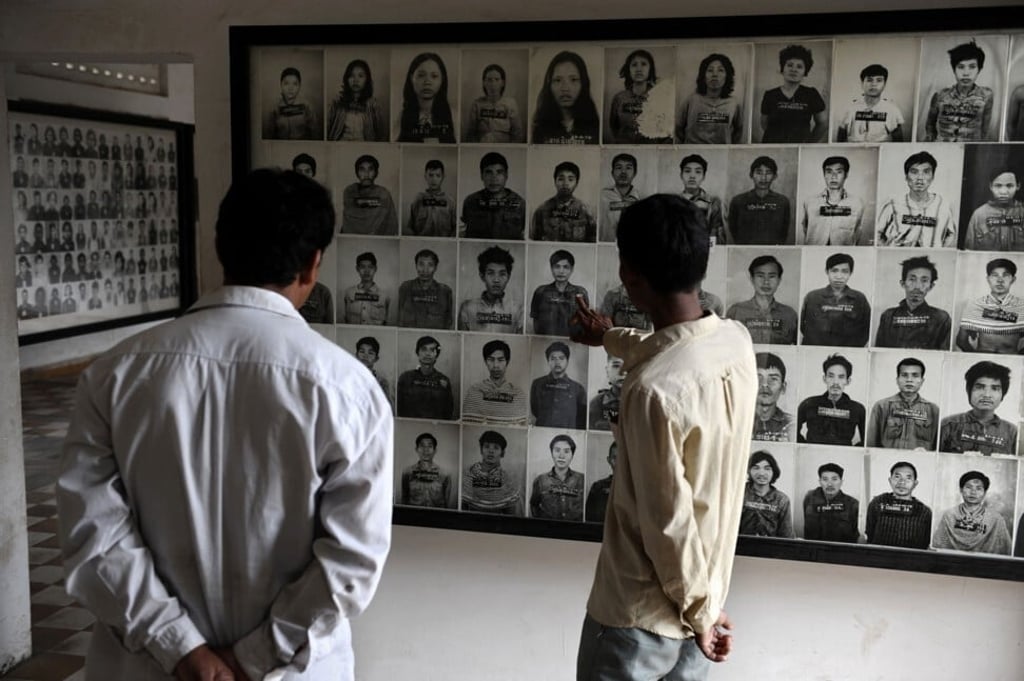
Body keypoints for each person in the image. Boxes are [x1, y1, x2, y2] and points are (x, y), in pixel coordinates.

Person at [56, 168, 392, 681]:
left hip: (146, 669)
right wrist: (252, 657)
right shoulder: (347, 388)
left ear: (220, 247)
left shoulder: (115, 375)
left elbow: (93, 536)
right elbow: (352, 560)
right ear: (313, 264)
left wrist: (182, 649)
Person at [571, 193, 756, 678]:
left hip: (638, 620)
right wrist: (611, 336)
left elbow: (667, 522)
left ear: (629, 274)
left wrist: (700, 615)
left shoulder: (653, 392)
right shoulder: (736, 342)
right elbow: (674, 348)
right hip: (705, 603)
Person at [876, 151, 957, 248]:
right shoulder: (893, 204)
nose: (920, 178)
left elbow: (951, 234)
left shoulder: (943, 205)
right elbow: (877, 233)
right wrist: (889, 250)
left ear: (933, 177)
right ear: (906, 177)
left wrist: (938, 251)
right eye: (914, 172)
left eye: (926, 172)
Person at [939, 360, 1017, 456]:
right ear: (969, 391)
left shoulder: (1012, 432)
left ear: (1002, 395)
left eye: (995, 388)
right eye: (980, 387)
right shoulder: (949, 425)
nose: (987, 395)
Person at [875, 256, 952, 350]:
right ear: (903, 283)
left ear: (931, 286)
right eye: (912, 279)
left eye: (924, 281)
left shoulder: (942, 318)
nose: (917, 286)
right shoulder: (888, 316)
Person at [924, 40, 994, 142]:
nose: (966, 73)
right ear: (954, 70)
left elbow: (985, 130)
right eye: (961, 67)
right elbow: (930, 125)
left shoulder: (987, 95)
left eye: (972, 67)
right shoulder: (940, 95)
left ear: (979, 69)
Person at [866, 358, 939, 450]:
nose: (909, 380)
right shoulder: (882, 406)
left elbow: (937, 449)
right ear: (897, 380)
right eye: (904, 375)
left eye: (915, 375)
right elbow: (870, 445)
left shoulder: (933, 410)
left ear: (922, 381)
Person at [759, 44, 827, 143]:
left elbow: (823, 123)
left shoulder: (811, 94)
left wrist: (809, 144)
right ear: (783, 68)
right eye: (789, 65)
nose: (794, 69)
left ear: (805, 71)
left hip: (799, 148)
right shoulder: (770, 95)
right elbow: (764, 123)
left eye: (799, 67)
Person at [932, 471, 1012, 555]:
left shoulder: (995, 519)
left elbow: (1005, 549)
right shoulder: (949, 515)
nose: (973, 492)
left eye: (978, 488)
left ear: (985, 493)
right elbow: (938, 545)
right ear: (961, 490)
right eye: (968, 487)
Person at [800, 252, 871, 347]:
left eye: (844, 271)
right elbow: (802, 326)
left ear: (851, 273)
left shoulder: (859, 299)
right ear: (827, 271)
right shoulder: (812, 297)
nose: (839, 276)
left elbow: (866, 329)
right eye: (834, 270)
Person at [956, 258, 1024, 354]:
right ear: (988, 279)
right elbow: (961, 341)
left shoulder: (1022, 307)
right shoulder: (975, 305)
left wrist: (1017, 359)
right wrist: (976, 358)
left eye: (1006, 275)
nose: (1000, 280)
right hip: (982, 359)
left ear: (1013, 279)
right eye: (995, 275)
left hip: (1011, 360)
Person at [726, 255, 798, 345]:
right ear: (752, 279)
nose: (766, 282)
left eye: (772, 276)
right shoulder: (736, 311)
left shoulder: (789, 315)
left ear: (779, 280)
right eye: (760, 276)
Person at [796, 354, 866, 447]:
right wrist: (806, 446)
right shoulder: (809, 404)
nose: (835, 382)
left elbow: (866, 442)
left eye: (841, 377)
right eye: (831, 376)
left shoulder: (857, 409)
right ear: (824, 378)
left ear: (848, 381)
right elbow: (793, 433)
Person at [532, 51, 600, 144]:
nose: (565, 88)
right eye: (558, 80)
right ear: (549, 85)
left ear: (583, 84)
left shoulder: (595, 126)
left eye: (573, 80)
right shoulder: (538, 127)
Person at [676, 52, 743, 144]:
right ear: (703, 75)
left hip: (722, 155)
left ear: (727, 76)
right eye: (710, 70)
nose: (714, 74)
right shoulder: (692, 100)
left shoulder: (734, 103)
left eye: (720, 70)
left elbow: (739, 131)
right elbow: (678, 128)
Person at [607, 48, 672, 144]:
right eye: (634, 65)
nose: (639, 69)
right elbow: (614, 126)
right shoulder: (619, 98)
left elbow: (666, 131)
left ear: (650, 69)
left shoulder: (660, 98)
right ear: (628, 70)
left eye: (644, 64)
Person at [865, 461, 932, 550]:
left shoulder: (924, 511)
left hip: (911, 560)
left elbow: (925, 542)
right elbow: (870, 533)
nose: (902, 482)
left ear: (915, 483)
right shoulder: (877, 503)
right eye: (897, 477)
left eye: (908, 478)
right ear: (890, 480)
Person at [460, 151, 526, 240]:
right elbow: (464, 234)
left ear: (506, 175)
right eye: (488, 172)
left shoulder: (520, 204)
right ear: (481, 175)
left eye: (499, 172)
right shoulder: (471, 201)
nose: (494, 178)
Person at [800, 156, 865, 245]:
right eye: (829, 172)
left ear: (846, 175)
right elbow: (805, 228)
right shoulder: (810, 202)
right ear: (824, 174)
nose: (833, 177)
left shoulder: (857, 203)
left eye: (839, 172)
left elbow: (857, 232)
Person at [458, 245, 524, 333]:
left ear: (508, 277)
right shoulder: (468, 307)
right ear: (482, 276)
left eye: (502, 274)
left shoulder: (517, 309)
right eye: (491, 273)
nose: (496, 280)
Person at [462, 339, 528, 425]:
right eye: (491, 359)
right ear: (485, 362)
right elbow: (467, 424)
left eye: (500, 360)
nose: (496, 365)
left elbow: (522, 426)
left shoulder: (518, 394)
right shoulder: (474, 391)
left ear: (507, 362)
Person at [727, 155, 791, 245]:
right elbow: (733, 229)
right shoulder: (738, 201)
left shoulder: (782, 201)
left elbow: (783, 232)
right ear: (751, 175)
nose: (763, 178)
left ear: (775, 176)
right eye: (759, 172)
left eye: (768, 173)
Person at [835, 64, 905, 142]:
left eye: (879, 80)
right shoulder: (849, 108)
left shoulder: (892, 110)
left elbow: (899, 141)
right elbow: (840, 139)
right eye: (869, 80)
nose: (874, 84)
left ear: (884, 84)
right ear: (862, 83)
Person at [530, 161, 597, 242]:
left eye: (570, 179)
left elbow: (592, 241)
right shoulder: (541, 211)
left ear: (577, 183)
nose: (565, 183)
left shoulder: (586, 211)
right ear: (555, 181)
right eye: (561, 179)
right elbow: (534, 241)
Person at [461, 430, 524, 516]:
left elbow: (511, 516)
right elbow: (462, 510)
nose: (491, 451)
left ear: (502, 453)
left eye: (496, 447)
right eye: (487, 446)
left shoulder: (509, 481)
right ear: (481, 450)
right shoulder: (467, 475)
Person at [397, 52, 456, 143]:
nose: (427, 82)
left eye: (434, 76)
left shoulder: (454, 116)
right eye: (421, 75)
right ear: (411, 78)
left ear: (442, 80)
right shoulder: (401, 116)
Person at [530, 249, 590, 336]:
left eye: (566, 267)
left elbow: (585, 322)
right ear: (551, 268)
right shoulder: (541, 292)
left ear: (572, 269)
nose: (561, 271)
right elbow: (535, 321)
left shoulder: (580, 292)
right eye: (557, 266)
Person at [326, 58, 388, 142]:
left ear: (367, 79)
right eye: (351, 76)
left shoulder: (373, 104)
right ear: (346, 79)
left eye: (360, 76)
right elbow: (327, 128)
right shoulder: (337, 101)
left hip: (364, 148)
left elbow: (381, 134)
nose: (356, 80)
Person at [396, 335, 455, 420]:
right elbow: (400, 409)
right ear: (418, 352)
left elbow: (448, 412)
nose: (427, 354)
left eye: (432, 350)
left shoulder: (444, 380)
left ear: (436, 354)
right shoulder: (405, 378)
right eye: (424, 349)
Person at [529, 341, 586, 429]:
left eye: (561, 358)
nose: (557, 362)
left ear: (567, 361)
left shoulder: (578, 388)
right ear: (548, 361)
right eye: (553, 358)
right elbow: (535, 410)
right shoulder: (538, 384)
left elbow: (581, 417)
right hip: (543, 431)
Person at [963, 169, 1023, 251]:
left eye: (1009, 186)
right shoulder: (979, 215)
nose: (1003, 191)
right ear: (991, 186)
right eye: (998, 186)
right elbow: (968, 252)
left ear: (1018, 186)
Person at [739, 451, 795, 538]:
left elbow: (786, 535)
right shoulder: (739, 494)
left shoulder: (782, 500)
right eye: (756, 468)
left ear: (774, 472)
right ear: (749, 471)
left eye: (767, 468)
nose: (761, 473)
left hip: (771, 548)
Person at [530, 434, 586, 521]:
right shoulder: (540, 480)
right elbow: (534, 505)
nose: (561, 456)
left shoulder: (582, 479)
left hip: (575, 531)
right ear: (551, 453)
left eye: (566, 451)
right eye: (557, 450)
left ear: (572, 455)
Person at [465, 63, 524, 143]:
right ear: (484, 83)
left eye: (497, 79)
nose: (493, 84)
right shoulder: (477, 105)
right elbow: (470, 134)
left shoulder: (511, 104)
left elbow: (518, 134)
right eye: (489, 80)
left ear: (502, 83)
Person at [340, 154, 398, 235]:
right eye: (362, 170)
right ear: (357, 173)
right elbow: (351, 220)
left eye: (370, 169)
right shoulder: (350, 191)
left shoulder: (383, 193)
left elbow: (391, 224)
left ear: (376, 173)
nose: (366, 174)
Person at [397, 248, 453, 330]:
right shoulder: (405, 287)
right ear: (416, 265)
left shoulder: (445, 291)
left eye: (430, 265)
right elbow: (400, 320)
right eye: (421, 264)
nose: (425, 270)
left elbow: (448, 323)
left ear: (435, 268)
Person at [802, 463, 860, 543]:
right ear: (820, 481)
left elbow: (855, 536)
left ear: (841, 481)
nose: (829, 484)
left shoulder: (853, 504)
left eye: (834, 479)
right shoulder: (810, 498)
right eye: (825, 479)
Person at [678, 154, 726, 245]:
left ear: (704, 176)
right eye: (687, 171)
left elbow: (717, 235)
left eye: (698, 172)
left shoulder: (713, 202)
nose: (692, 176)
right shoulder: (673, 202)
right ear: (681, 175)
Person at [399, 432, 454, 509]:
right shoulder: (407, 472)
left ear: (435, 450)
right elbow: (404, 499)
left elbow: (446, 503)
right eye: (422, 446)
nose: (426, 450)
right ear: (416, 449)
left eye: (430, 446)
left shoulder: (445, 474)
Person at [752, 351, 796, 443]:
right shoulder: (736, 421)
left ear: (783, 387)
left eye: (773, 379)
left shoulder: (791, 424)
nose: (765, 385)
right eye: (758, 378)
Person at [405, 159, 456, 237]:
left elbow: (455, 229)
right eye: (431, 175)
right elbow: (410, 227)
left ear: (443, 177)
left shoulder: (450, 201)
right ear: (425, 176)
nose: (434, 179)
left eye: (438, 175)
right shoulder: (418, 199)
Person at [599, 153, 642, 242]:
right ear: (612, 173)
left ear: (635, 173)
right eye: (619, 168)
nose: (623, 172)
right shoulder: (601, 196)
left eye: (628, 168)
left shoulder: (642, 199)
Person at [267, 66, 318, 140]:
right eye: (286, 83)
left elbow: (315, 132)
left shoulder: (307, 106)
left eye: (295, 84)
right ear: (281, 85)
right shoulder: (274, 107)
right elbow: (269, 135)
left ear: (299, 86)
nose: (290, 88)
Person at [342, 251, 390, 325]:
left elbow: (387, 323)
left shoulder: (384, 296)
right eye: (362, 267)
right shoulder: (349, 293)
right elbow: (343, 321)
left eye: (370, 267)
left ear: (375, 269)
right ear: (357, 269)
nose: (366, 271)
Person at [355, 336, 395, 412]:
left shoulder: (382, 382)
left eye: (370, 353)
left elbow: (387, 408)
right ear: (356, 355)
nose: (365, 356)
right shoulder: (349, 377)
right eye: (362, 351)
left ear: (376, 358)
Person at [588, 354, 624, 431]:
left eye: (628, 366)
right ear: (607, 371)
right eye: (616, 366)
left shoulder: (643, 403)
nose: (623, 372)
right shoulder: (597, 403)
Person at [584, 442, 617, 523]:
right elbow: (589, 520)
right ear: (608, 460)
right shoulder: (597, 487)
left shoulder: (638, 488)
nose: (619, 462)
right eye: (615, 458)